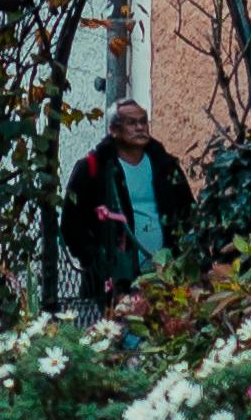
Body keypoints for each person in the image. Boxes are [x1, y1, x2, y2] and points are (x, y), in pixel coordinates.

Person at [65, 93, 196, 299]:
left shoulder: (166, 166)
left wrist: (183, 257)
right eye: (131, 123)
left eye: (143, 121)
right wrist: (98, 263)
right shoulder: (93, 169)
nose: (140, 128)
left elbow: (189, 212)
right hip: (114, 286)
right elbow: (72, 225)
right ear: (114, 130)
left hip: (166, 278)